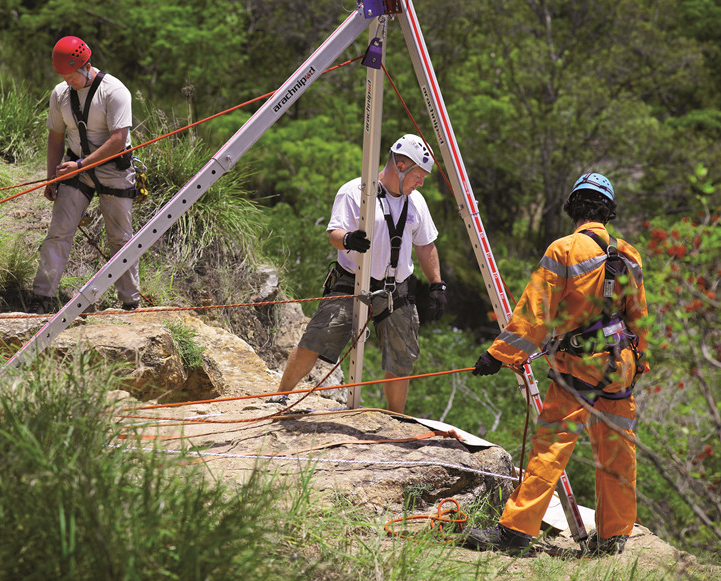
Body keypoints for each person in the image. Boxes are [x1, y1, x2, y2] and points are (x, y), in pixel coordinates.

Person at [464, 172, 649, 556]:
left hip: (577, 369)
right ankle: (613, 537)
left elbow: (534, 314)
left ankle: (515, 533)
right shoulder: (630, 255)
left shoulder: (564, 250)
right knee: (617, 451)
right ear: (608, 210)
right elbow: (638, 318)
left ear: (574, 207)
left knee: (550, 449)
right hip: (621, 369)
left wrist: (498, 355)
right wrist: (639, 361)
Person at [271, 134, 447, 414]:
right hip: (352, 282)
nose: (421, 183)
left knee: (401, 359)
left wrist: (437, 284)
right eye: (418, 176)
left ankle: (395, 418)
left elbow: (426, 246)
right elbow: (334, 233)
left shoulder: (416, 202)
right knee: (316, 339)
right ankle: (280, 396)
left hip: (396, 290)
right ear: (401, 165)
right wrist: (348, 239)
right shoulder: (356, 192)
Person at [29, 36, 141, 313]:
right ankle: (42, 297)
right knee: (59, 231)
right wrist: (51, 177)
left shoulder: (115, 92)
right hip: (76, 168)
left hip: (114, 169)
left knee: (120, 238)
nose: (68, 83)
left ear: (86, 66)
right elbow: (55, 137)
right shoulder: (60, 94)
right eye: (63, 78)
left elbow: (118, 140)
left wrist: (81, 165)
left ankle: (130, 302)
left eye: (71, 78)